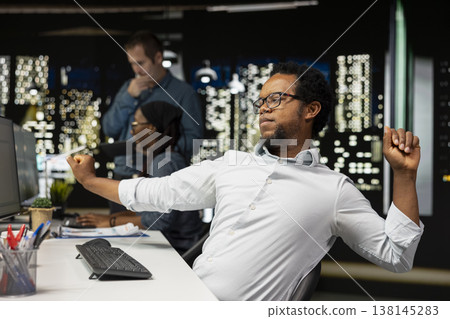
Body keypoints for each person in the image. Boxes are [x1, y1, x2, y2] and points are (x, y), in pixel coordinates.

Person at [67, 62, 424, 301]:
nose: (263, 108)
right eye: (261, 101)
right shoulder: (231, 164)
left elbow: (397, 256)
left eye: (276, 99)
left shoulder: (333, 189)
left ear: (311, 110)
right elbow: (156, 192)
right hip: (190, 296)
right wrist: (90, 181)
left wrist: (405, 176)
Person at [80, 101, 203, 254]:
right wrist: (109, 219)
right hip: (170, 243)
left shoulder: (165, 162)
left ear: (151, 128)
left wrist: (111, 222)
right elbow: (149, 209)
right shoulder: (164, 157)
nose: (132, 131)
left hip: (177, 248)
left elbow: (161, 220)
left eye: (135, 124)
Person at [101, 30, 203, 212]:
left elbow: (194, 141)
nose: (136, 70)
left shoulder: (183, 93)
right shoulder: (127, 89)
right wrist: (128, 97)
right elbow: (109, 128)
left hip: (157, 181)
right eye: (132, 64)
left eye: (141, 63)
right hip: (121, 179)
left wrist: (156, 145)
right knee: (117, 236)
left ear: (158, 57)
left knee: (151, 236)